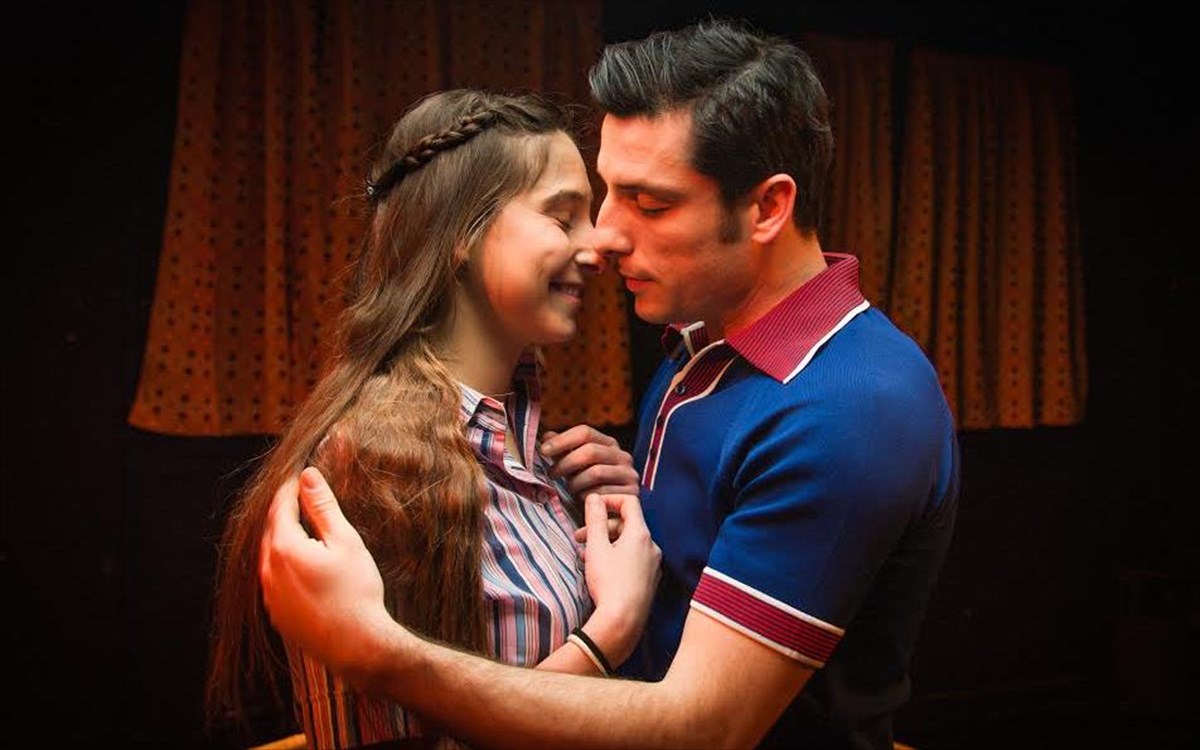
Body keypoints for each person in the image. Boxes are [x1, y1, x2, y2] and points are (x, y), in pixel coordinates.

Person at [259, 19, 960, 750]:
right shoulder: (699, 340)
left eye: (650, 204)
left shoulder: (852, 405)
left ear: (766, 208)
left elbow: (707, 728)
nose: (605, 234)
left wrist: (382, 655)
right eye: (605, 194)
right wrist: (632, 500)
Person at [204, 89, 662, 749]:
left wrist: (598, 504)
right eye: (563, 217)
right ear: (461, 236)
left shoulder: (528, 450)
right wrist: (608, 633)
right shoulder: (372, 467)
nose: (598, 246)